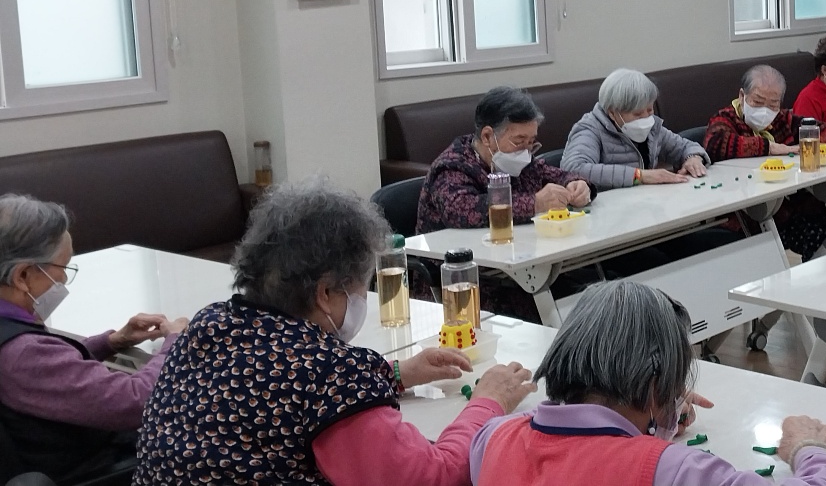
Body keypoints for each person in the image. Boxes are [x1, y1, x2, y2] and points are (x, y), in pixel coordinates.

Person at [134, 178, 538, 485]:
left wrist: (396, 373)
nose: (364, 298)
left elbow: (279, 389)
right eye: (362, 286)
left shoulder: (210, 324)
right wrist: (488, 403)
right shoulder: (331, 374)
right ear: (326, 293)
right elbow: (433, 476)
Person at [469, 279, 826, 485]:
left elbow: (569, 439)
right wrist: (809, 448)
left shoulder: (491, 437)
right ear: (655, 383)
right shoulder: (672, 471)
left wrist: (653, 418)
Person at [0, 195, 187, 483]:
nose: (64, 280)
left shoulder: (14, 338)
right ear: (23, 275)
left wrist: (112, 342)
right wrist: (176, 343)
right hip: (93, 469)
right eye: (63, 268)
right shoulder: (22, 353)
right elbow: (137, 402)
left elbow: (48, 376)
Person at [703, 66, 826, 259]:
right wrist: (770, 147)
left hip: (786, 208)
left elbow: (813, 128)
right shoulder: (725, 119)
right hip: (746, 215)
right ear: (742, 96)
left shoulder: (782, 119)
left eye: (773, 105)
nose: (764, 111)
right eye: (757, 102)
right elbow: (715, 144)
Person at [417, 86, 593, 234]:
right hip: (454, 261)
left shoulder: (523, 161)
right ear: (487, 136)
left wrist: (577, 185)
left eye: (531, 142)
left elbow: (558, 175)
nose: (526, 151)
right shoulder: (452, 166)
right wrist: (535, 203)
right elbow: (463, 210)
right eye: (519, 141)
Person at [562, 68, 711, 189]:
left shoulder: (653, 127)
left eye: (649, 110)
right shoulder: (590, 129)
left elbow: (685, 146)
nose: (646, 117)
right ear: (612, 113)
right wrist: (641, 176)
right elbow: (574, 169)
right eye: (638, 114)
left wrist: (693, 158)